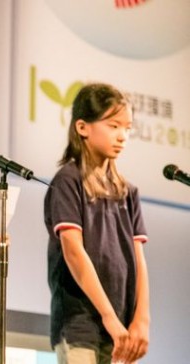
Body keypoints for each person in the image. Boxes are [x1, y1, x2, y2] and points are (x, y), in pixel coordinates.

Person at [44, 83, 150, 364]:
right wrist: (108, 316)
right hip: (81, 323)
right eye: (114, 126)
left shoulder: (128, 192)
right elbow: (74, 252)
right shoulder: (68, 181)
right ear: (83, 127)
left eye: (128, 128)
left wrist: (141, 320)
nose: (123, 136)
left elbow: (139, 260)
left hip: (121, 329)